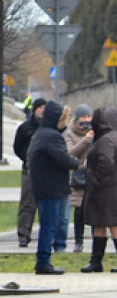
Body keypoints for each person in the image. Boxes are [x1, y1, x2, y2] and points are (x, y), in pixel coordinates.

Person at [27, 102, 78, 275]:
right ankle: (43, 261)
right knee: (49, 225)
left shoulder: (41, 134)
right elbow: (63, 159)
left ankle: (43, 260)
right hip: (52, 187)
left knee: (47, 224)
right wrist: (76, 162)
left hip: (43, 186)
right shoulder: (52, 137)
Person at [81, 107, 117, 272]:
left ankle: (96, 261)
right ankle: (96, 261)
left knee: (111, 224)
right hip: (108, 188)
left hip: (105, 190)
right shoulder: (111, 137)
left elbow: (106, 163)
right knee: (100, 224)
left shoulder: (106, 140)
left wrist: (97, 181)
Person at [13, 98, 46, 247]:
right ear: (34, 110)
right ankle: (24, 235)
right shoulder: (25, 128)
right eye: (40, 107)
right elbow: (17, 147)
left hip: (46, 171)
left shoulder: (50, 127)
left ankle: (46, 235)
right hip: (29, 170)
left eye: (45, 107)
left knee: (46, 205)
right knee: (27, 204)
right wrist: (27, 158)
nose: (42, 110)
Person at [65, 104, 94, 253]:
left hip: (94, 176)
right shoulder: (70, 134)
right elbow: (71, 153)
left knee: (95, 210)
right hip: (79, 177)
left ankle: (97, 240)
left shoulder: (96, 131)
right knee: (79, 211)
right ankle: (78, 241)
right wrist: (86, 140)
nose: (87, 120)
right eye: (83, 117)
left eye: (89, 117)